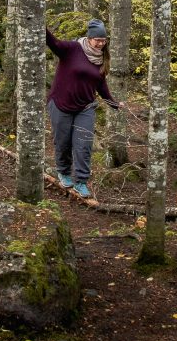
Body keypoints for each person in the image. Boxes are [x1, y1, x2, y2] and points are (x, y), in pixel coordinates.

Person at [45, 18, 125, 203]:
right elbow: (53, 42)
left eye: (103, 40)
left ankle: (81, 181)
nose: (101, 43)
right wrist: (42, 24)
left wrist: (113, 104)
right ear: (89, 38)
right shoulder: (72, 49)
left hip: (86, 107)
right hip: (61, 104)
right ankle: (63, 172)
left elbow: (101, 85)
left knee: (84, 145)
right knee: (63, 142)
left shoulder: (101, 58)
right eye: (97, 40)